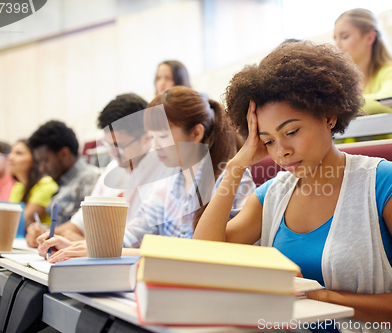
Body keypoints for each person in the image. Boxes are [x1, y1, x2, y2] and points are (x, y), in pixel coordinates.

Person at [192, 41, 392, 328]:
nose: (280, 151)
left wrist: (321, 298)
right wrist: (236, 166)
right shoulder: (272, 195)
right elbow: (204, 257)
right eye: (268, 140)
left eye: (291, 131)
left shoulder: (384, 182)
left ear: (328, 115)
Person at [37, 86, 256, 262]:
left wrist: (93, 250)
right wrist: (80, 247)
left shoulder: (233, 181)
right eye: (152, 138)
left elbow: (202, 255)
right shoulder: (170, 183)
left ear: (196, 133)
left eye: (162, 137)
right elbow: (132, 236)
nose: (156, 147)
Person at [35, 93, 176, 244]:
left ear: (147, 136)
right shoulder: (113, 168)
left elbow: (141, 240)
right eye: (107, 144)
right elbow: (81, 222)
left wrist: (86, 243)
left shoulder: (166, 170)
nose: (111, 152)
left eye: (119, 146)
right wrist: (47, 235)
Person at [334, 8, 392, 136]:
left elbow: (388, 102)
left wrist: (335, 105)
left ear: (370, 38)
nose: (337, 45)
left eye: (344, 37)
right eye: (335, 38)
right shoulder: (345, 82)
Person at [25, 121, 100, 246]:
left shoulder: (90, 179)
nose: (41, 168)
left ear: (64, 154)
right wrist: (38, 231)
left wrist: (46, 233)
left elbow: (88, 227)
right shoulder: (61, 181)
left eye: (45, 160)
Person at [7, 140, 58, 225]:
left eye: (18, 153)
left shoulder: (46, 184)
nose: (10, 157)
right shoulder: (18, 187)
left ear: (34, 159)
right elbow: (8, 219)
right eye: (10, 152)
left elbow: (21, 220)